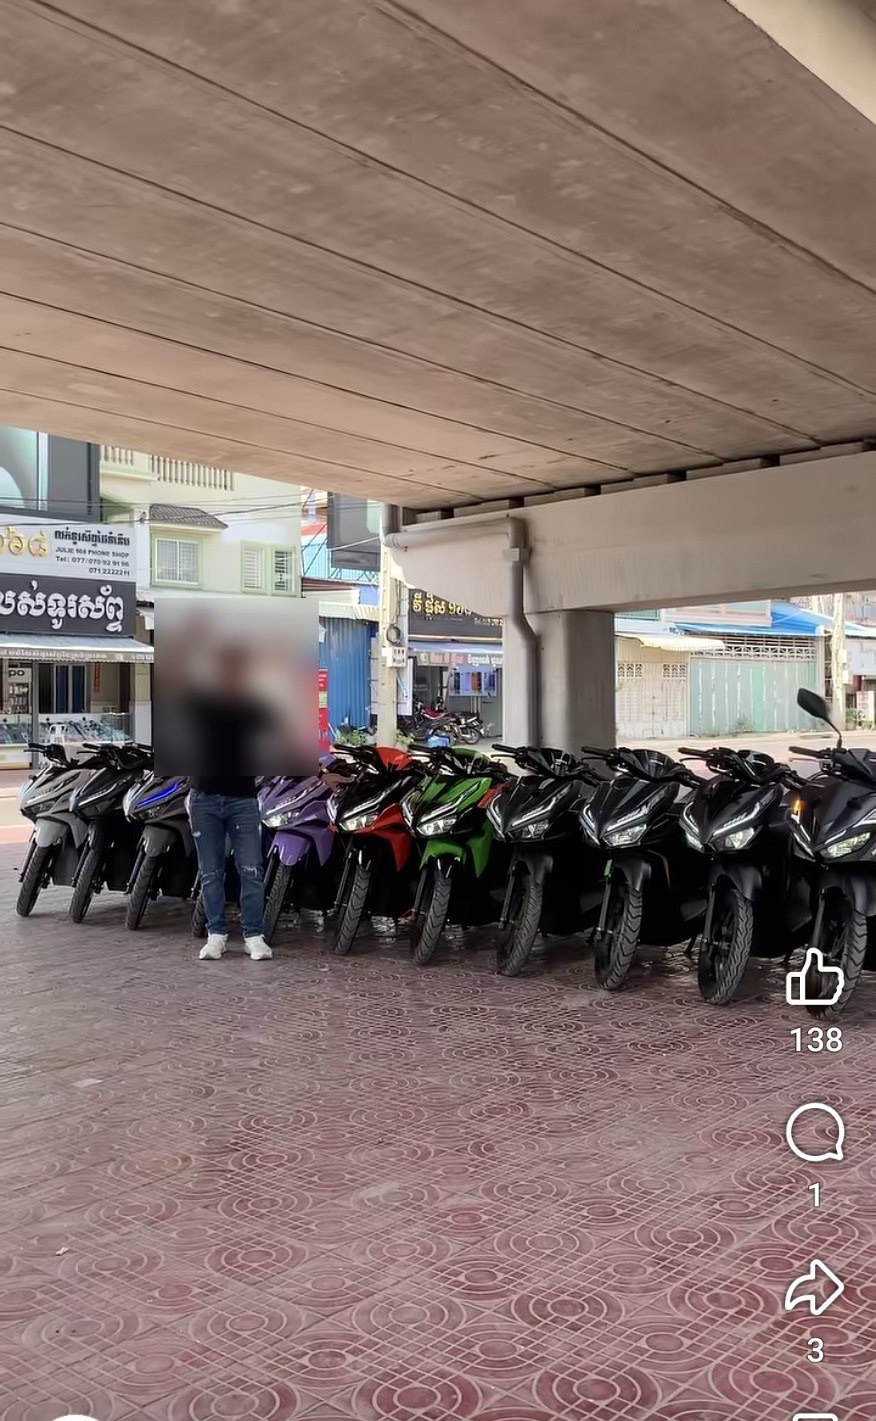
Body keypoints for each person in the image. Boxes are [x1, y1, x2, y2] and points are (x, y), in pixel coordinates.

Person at [184, 644, 274, 962]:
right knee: (210, 872)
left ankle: (254, 935)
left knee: (251, 870)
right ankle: (216, 935)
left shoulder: (254, 706)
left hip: (243, 799)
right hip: (204, 798)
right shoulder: (199, 703)